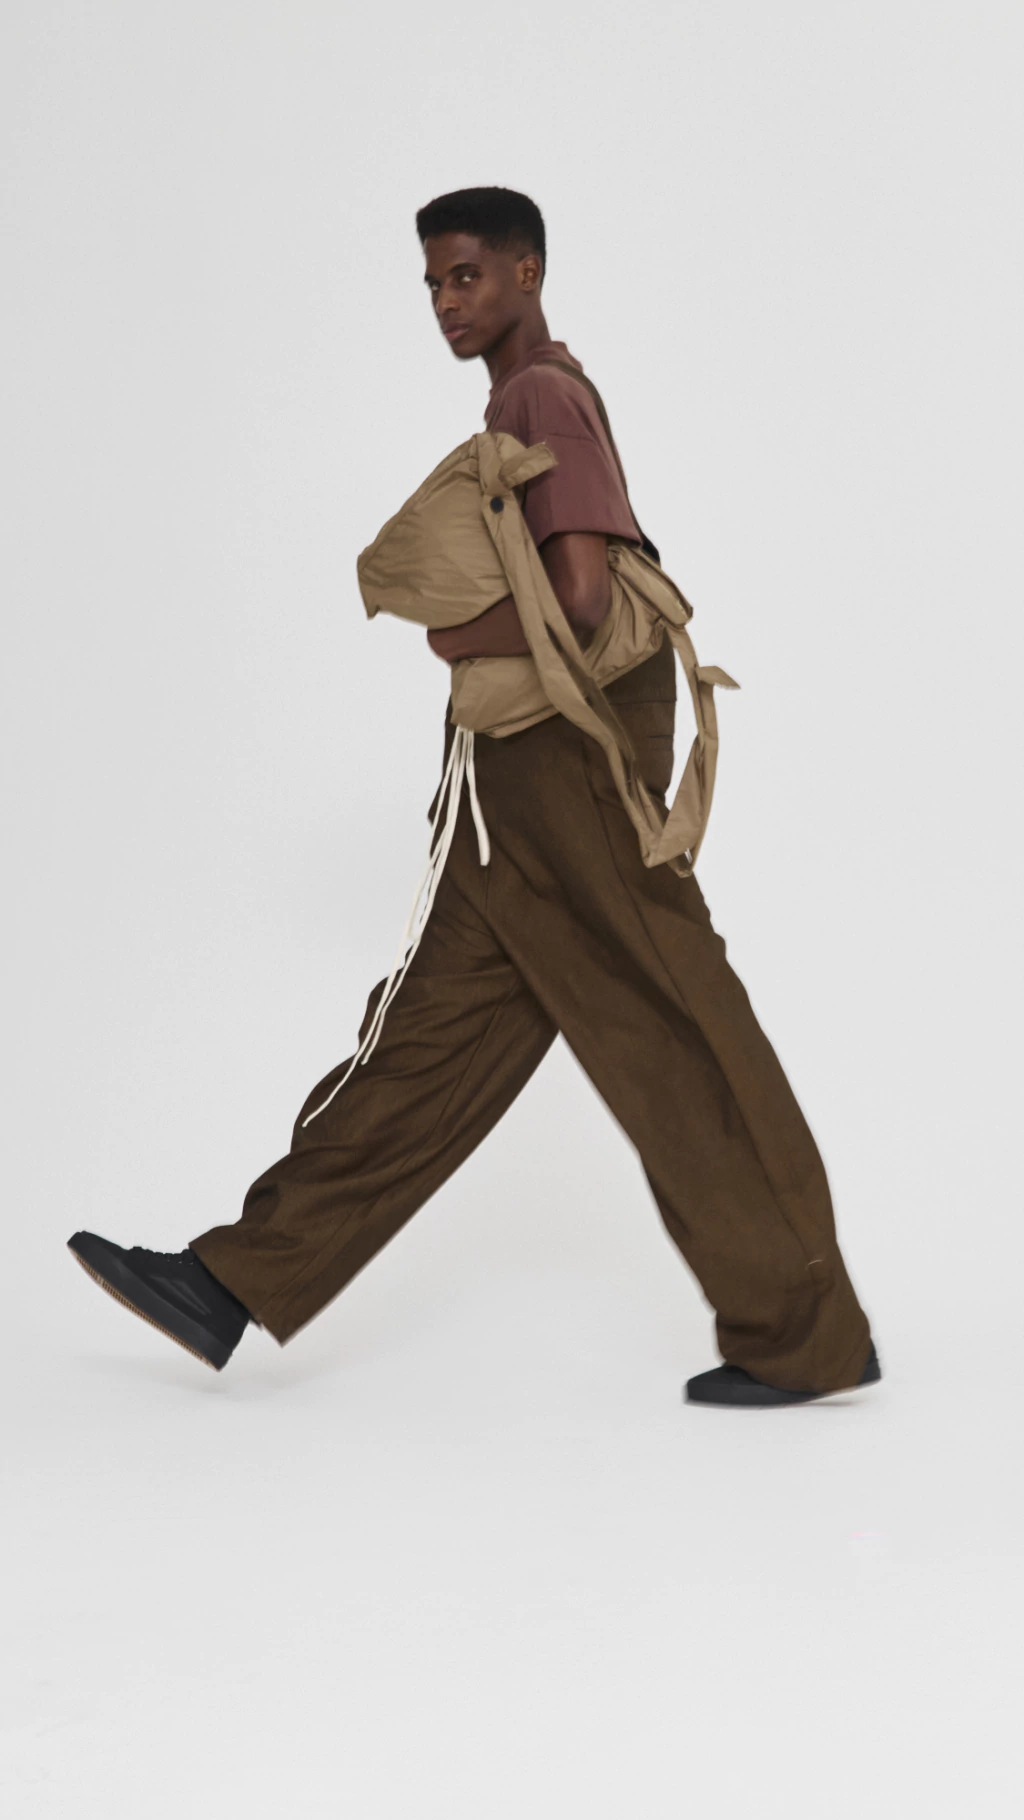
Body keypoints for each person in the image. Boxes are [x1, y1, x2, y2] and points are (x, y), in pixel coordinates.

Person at [69, 187, 879, 1408]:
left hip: (570, 752)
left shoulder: (540, 394)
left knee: (676, 1021)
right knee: (430, 1036)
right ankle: (230, 1280)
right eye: (433, 284)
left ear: (526, 272)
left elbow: (587, 598)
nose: (448, 303)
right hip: (518, 768)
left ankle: (810, 1335)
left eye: (468, 276)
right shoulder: (528, 397)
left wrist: (458, 637)